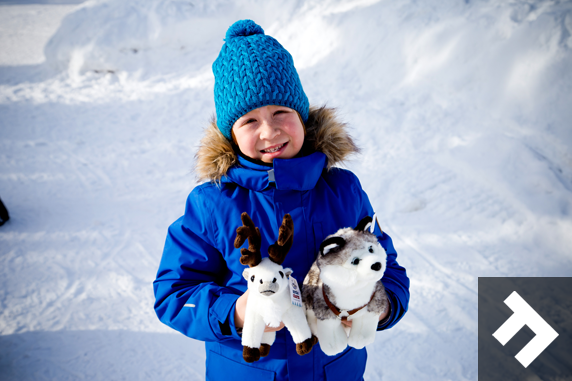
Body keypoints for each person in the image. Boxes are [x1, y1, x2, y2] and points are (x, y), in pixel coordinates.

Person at [153, 19, 409, 381]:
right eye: (249, 121)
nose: (269, 131)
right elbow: (174, 293)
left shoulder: (343, 190)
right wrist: (238, 310)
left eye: (281, 113)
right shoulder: (212, 204)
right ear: (230, 133)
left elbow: (387, 266)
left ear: (302, 116)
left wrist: (379, 305)